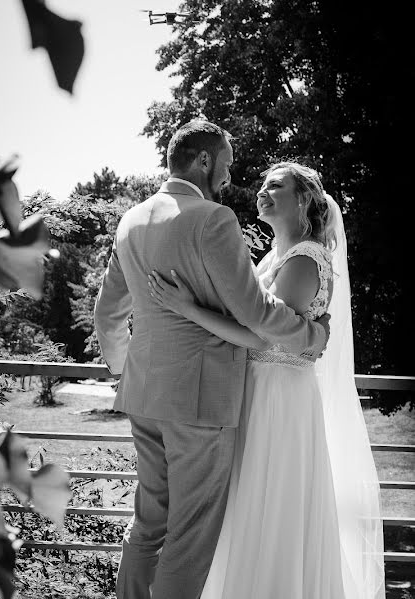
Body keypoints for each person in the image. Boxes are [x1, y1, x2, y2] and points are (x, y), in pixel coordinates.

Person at [93, 120, 330, 599]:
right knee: (189, 536)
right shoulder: (212, 219)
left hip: (143, 394)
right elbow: (256, 312)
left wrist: (122, 369)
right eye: (226, 162)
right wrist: (309, 334)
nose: (229, 174)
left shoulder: (131, 219)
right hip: (200, 402)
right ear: (204, 160)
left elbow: (107, 312)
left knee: (148, 525)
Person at [149, 161, 384, 598]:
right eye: (262, 184)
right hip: (258, 390)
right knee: (249, 503)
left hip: (279, 397)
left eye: (276, 186)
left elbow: (263, 332)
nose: (262, 191)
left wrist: (188, 309)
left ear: (303, 201)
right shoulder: (274, 257)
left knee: (272, 504)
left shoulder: (305, 258)